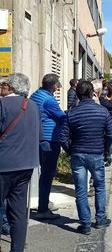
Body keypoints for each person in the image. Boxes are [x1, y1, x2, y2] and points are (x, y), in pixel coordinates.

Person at [60, 80, 112, 234]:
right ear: (93, 93)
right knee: (99, 187)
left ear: (77, 94)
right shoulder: (102, 111)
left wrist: (71, 151)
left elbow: (63, 138)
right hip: (96, 153)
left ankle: (85, 224)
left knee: (81, 190)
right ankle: (100, 219)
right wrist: (105, 150)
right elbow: (110, 134)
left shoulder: (71, 113)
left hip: (78, 154)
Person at [0, 73, 41, 252]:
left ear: (9, 87)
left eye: (3, 85)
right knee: (18, 210)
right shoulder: (32, 106)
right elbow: (38, 135)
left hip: (3, 164)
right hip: (26, 165)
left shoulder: (2, 104)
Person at [30, 73, 66, 220]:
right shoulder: (49, 100)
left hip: (38, 138)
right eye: (57, 86)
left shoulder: (35, 95)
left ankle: (44, 201)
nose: (57, 89)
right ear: (53, 86)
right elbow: (62, 117)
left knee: (43, 173)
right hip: (49, 139)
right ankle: (43, 209)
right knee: (47, 174)